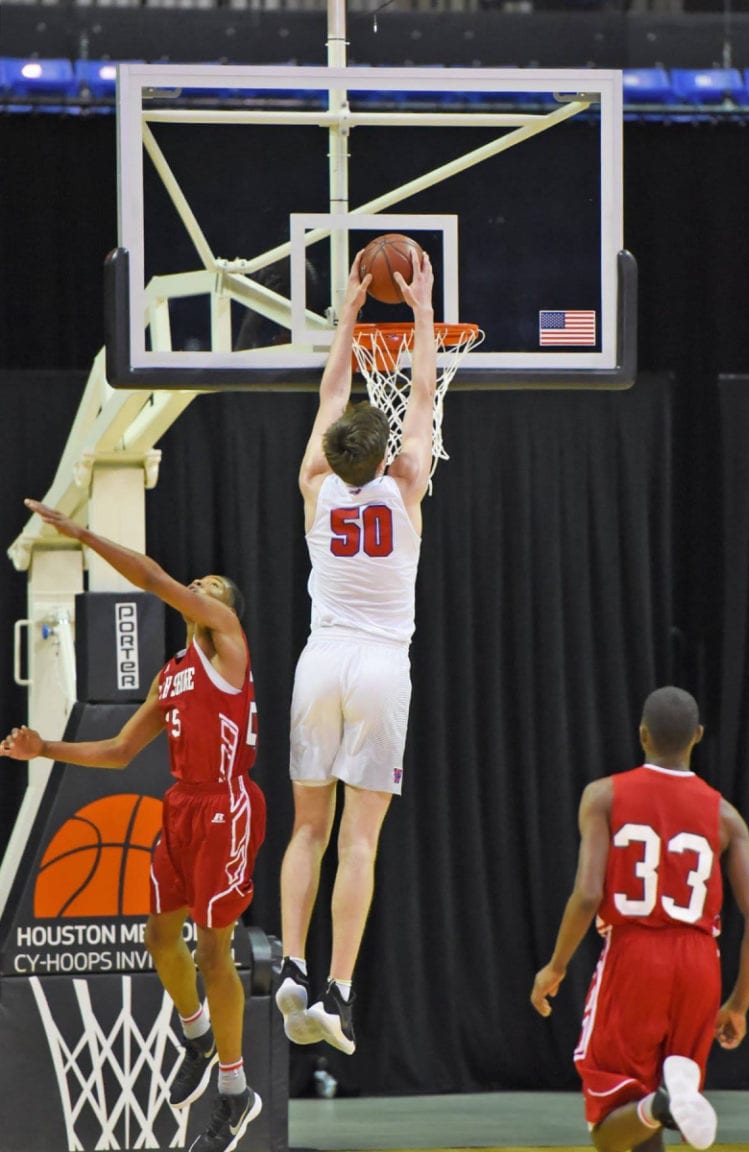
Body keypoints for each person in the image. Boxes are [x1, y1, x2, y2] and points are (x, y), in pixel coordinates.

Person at [1, 499, 266, 1152]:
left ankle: (236, 1093)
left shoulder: (225, 639)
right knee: (157, 937)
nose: (198, 588)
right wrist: (47, 750)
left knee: (213, 950)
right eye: (197, 584)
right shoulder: (171, 676)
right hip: (181, 808)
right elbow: (119, 751)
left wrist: (82, 533)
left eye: (208, 586)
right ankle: (198, 1037)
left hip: (226, 806)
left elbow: (154, 581)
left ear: (219, 606)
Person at [274, 246, 437, 1055]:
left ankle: (292, 966)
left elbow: (334, 388)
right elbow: (423, 397)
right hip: (379, 666)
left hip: (319, 659)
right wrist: (419, 313)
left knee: (306, 829)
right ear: (386, 458)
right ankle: (336, 990)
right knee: (359, 840)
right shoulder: (406, 481)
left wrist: (348, 315)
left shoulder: (315, 478)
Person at [530, 685, 749, 1152]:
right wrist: (738, 1004)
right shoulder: (726, 816)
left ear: (642, 735)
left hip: (635, 954)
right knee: (664, 1107)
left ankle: (657, 1107)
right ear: (697, 736)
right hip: (701, 962)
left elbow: (587, 893)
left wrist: (555, 966)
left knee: (610, 1126)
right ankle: (664, 1103)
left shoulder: (603, 796)